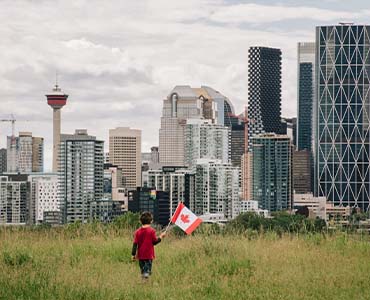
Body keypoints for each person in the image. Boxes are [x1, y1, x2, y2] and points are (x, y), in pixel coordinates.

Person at [131, 212, 166, 279]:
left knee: (142, 269)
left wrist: (133, 254)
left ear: (140, 221)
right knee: (147, 270)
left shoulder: (137, 232)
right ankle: (146, 276)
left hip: (140, 255)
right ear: (151, 221)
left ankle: (144, 278)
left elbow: (135, 244)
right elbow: (155, 242)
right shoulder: (151, 231)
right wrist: (161, 237)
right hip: (149, 255)